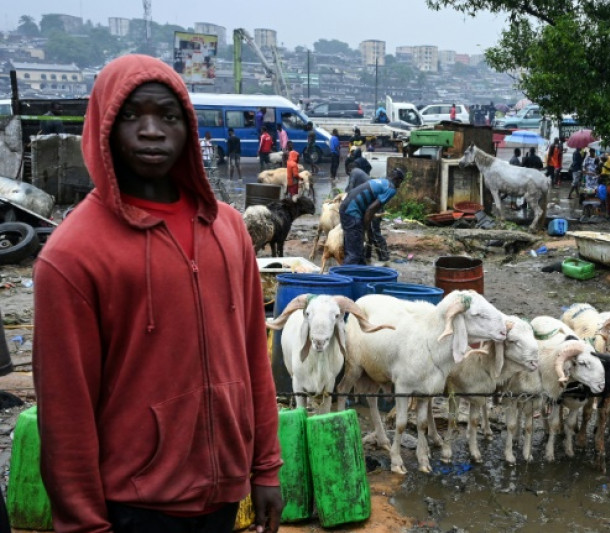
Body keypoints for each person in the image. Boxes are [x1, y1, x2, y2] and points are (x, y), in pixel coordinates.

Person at [32, 54, 283, 533]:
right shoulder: (73, 254)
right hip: (132, 506)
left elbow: (253, 354)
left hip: (225, 493)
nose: (151, 130)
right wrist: (84, 524)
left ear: (187, 127)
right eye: (131, 115)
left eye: (167, 116)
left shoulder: (228, 230)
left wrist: (266, 466)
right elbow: (66, 411)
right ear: (102, 125)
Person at [340, 168, 405, 264]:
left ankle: (361, 276)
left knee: (358, 252)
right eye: (400, 183)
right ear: (398, 180)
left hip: (346, 208)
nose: (399, 186)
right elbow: (370, 210)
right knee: (354, 255)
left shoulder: (383, 181)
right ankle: (342, 277)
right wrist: (365, 228)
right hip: (352, 212)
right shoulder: (391, 189)